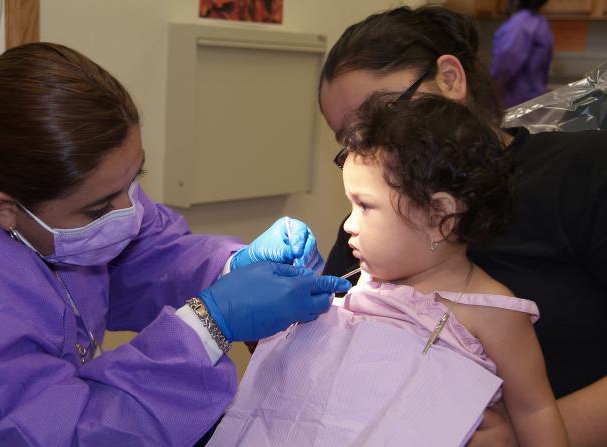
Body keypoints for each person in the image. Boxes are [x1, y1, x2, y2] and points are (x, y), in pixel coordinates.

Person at [0, 43, 351, 446]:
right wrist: (207, 325)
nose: (129, 212)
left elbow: (139, 253)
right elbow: (61, 433)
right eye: (101, 207)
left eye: (135, 178)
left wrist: (228, 266)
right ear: (5, 209)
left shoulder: (55, 194)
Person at [209, 93, 569, 447]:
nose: (348, 224)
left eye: (364, 206)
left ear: (438, 215)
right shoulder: (363, 286)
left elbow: (534, 411)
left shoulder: (493, 312)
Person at [319, 6, 607, 447]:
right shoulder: (370, 226)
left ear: (450, 79)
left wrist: (514, 437)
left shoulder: (584, 174)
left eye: (381, 113)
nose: (370, 145)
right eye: (349, 139)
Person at [491, 0, 553, 108]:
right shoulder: (540, 22)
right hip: (535, 102)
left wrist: (490, 94)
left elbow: (505, 66)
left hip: (516, 104)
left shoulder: (519, 25)